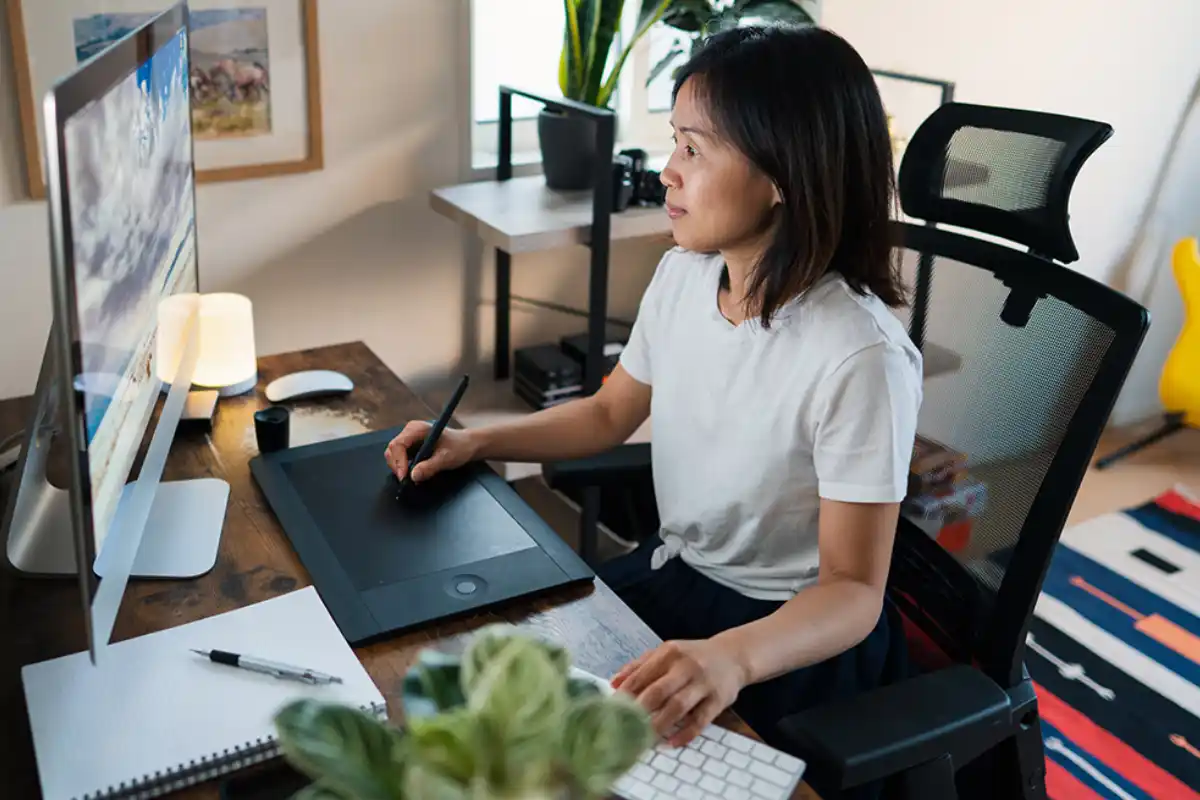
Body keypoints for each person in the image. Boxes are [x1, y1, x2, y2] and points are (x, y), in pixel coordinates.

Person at [385, 24, 922, 758]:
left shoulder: (858, 354)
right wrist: (477, 441)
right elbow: (609, 411)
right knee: (468, 693)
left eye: (693, 150)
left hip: (782, 639)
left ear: (781, 176)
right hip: (675, 576)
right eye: (674, 141)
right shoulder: (686, 275)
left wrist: (731, 657)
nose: (667, 170)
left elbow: (855, 593)